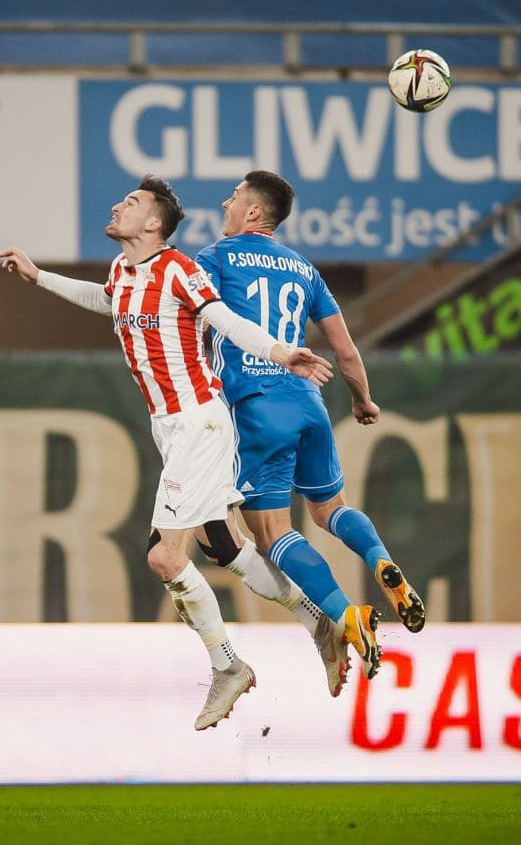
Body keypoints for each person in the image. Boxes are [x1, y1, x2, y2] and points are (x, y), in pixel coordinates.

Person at [0, 175, 370, 728]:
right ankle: (320, 623)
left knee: (164, 558)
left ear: (154, 223)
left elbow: (224, 318)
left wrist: (279, 351)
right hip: (173, 428)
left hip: (200, 423)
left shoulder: (178, 269)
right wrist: (39, 277)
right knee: (224, 545)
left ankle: (228, 666)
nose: (117, 205)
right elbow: (105, 300)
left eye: (131, 202)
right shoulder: (123, 272)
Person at [195, 170, 426, 674]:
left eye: (234, 197)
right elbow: (345, 350)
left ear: (254, 211)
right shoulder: (304, 269)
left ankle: (346, 614)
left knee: (272, 534)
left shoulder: (214, 258)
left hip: (254, 404)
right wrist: (363, 400)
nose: (225, 204)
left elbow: (185, 314)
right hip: (308, 400)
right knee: (330, 510)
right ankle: (381, 560)